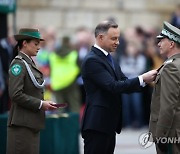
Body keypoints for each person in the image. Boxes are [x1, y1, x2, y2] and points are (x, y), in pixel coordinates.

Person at [81, 20, 157, 154]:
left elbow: (123, 82)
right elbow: (113, 86)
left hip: (108, 124)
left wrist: (145, 81)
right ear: (100, 37)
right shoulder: (92, 60)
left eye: (118, 38)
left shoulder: (109, 58)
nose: (118, 42)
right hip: (97, 125)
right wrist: (141, 78)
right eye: (113, 38)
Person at [6, 28, 59, 154]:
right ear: (24, 43)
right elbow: (15, 94)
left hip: (30, 123)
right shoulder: (19, 64)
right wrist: (40, 104)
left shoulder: (28, 63)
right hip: (22, 124)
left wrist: (44, 103)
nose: (39, 47)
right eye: (35, 44)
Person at [149, 21, 180, 154]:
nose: (158, 44)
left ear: (172, 44)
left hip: (171, 133)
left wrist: (161, 135)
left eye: (162, 40)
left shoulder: (171, 67)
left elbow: (168, 104)